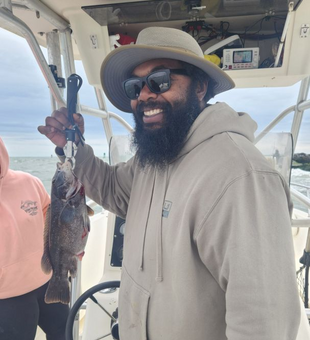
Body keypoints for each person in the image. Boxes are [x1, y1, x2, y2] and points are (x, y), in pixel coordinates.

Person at [38, 27, 303, 340]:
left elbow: (264, 326)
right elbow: (113, 189)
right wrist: (73, 149)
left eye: (160, 80)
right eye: (135, 87)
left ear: (200, 87)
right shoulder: (156, 157)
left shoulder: (241, 177)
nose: (145, 95)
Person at [0, 137, 69, 340]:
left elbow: (50, 211)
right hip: (8, 296)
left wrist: (66, 246)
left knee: (64, 332)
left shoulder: (29, 181)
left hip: (48, 278)